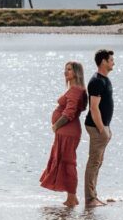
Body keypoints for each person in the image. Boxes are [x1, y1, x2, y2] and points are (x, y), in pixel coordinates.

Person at [39, 61, 88, 207]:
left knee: (68, 163)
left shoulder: (76, 90)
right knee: (65, 161)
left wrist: (56, 125)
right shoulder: (75, 89)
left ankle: (72, 197)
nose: (66, 72)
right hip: (67, 131)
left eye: (69, 70)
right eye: (65, 69)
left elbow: (70, 112)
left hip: (68, 131)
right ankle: (71, 197)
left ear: (77, 73)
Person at [84, 48, 115, 208]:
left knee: (98, 162)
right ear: (103, 62)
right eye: (111, 60)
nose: (113, 63)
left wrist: (107, 128)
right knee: (94, 162)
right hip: (96, 128)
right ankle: (90, 199)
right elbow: (94, 108)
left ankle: (93, 196)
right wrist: (102, 129)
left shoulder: (105, 79)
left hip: (103, 127)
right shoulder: (96, 81)